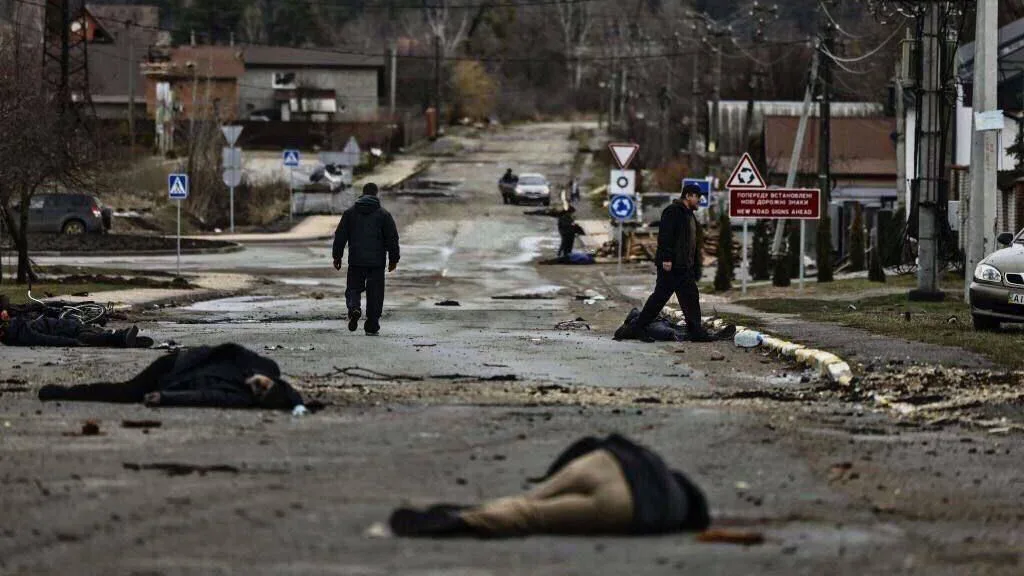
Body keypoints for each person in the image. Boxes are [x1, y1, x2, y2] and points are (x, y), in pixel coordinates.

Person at [389, 434, 710, 538]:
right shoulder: (674, 511)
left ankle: (489, 507)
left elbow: (591, 443)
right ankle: (466, 520)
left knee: (531, 498)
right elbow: (648, 522)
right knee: (534, 516)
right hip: (625, 504)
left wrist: (550, 476)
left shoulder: (656, 464)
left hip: (604, 461)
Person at [38, 343, 305, 411]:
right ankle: (62, 392)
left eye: (259, 393)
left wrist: (165, 398)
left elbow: (205, 398)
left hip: (173, 381)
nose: (255, 387)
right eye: (263, 386)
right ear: (271, 380)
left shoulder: (243, 397)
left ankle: (62, 392)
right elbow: (231, 349)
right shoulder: (262, 364)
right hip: (176, 365)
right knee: (126, 393)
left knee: (126, 394)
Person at [615, 184, 713, 342]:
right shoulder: (673, 211)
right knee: (659, 298)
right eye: (697, 197)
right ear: (688, 196)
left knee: (691, 297)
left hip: (684, 267)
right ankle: (637, 328)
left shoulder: (689, 215)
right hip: (672, 265)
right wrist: (667, 258)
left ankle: (696, 332)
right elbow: (665, 236)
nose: (699, 201)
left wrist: (694, 265)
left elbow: (691, 244)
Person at [333, 183, 401, 335]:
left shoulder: (350, 213)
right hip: (377, 263)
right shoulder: (384, 215)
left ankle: (354, 308)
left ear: (362, 194)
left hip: (356, 260)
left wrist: (337, 256)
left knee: (353, 288)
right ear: (376, 195)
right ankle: (371, 325)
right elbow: (392, 238)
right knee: (375, 294)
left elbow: (340, 236)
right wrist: (393, 259)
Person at [0, 298, 146, 348]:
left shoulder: (14, 327)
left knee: (87, 330)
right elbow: (45, 339)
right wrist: (71, 342)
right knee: (85, 336)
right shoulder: (17, 333)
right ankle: (119, 338)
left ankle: (121, 338)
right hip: (61, 331)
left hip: (62, 325)